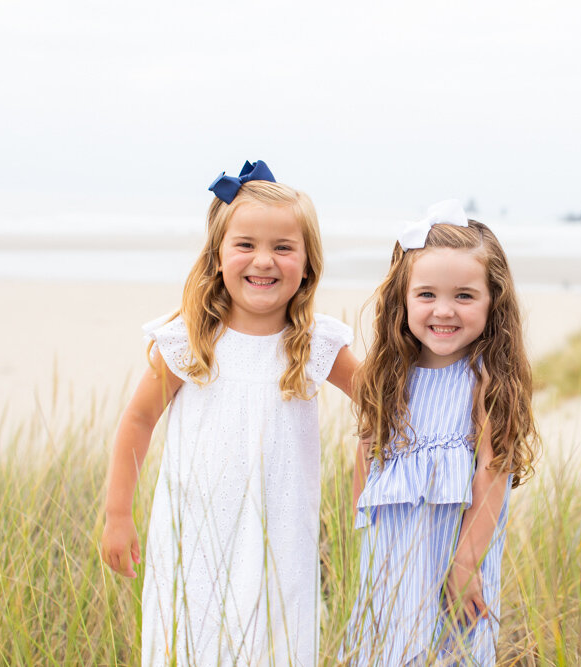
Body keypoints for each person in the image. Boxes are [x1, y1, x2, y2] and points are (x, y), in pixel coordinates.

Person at [100, 161, 357, 666]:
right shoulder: (190, 340)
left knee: (277, 644)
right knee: (191, 643)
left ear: (307, 264)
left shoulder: (315, 342)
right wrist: (117, 514)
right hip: (192, 538)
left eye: (283, 247)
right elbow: (137, 421)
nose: (264, 260)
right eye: (246, 245)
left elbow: (379, 398)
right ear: (218, 256)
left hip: (282, 541)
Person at [342, 200, 538, 664]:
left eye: (464, 296)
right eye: (426, 295)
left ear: (494, 302)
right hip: (390, 558)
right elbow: (368, 452)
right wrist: (362, 536)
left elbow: (494, 474)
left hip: (455, 558)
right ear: (403, 300)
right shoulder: (390, 375)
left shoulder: (486, 380)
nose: (443, 311)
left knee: (449, 649)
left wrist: (467, 563)